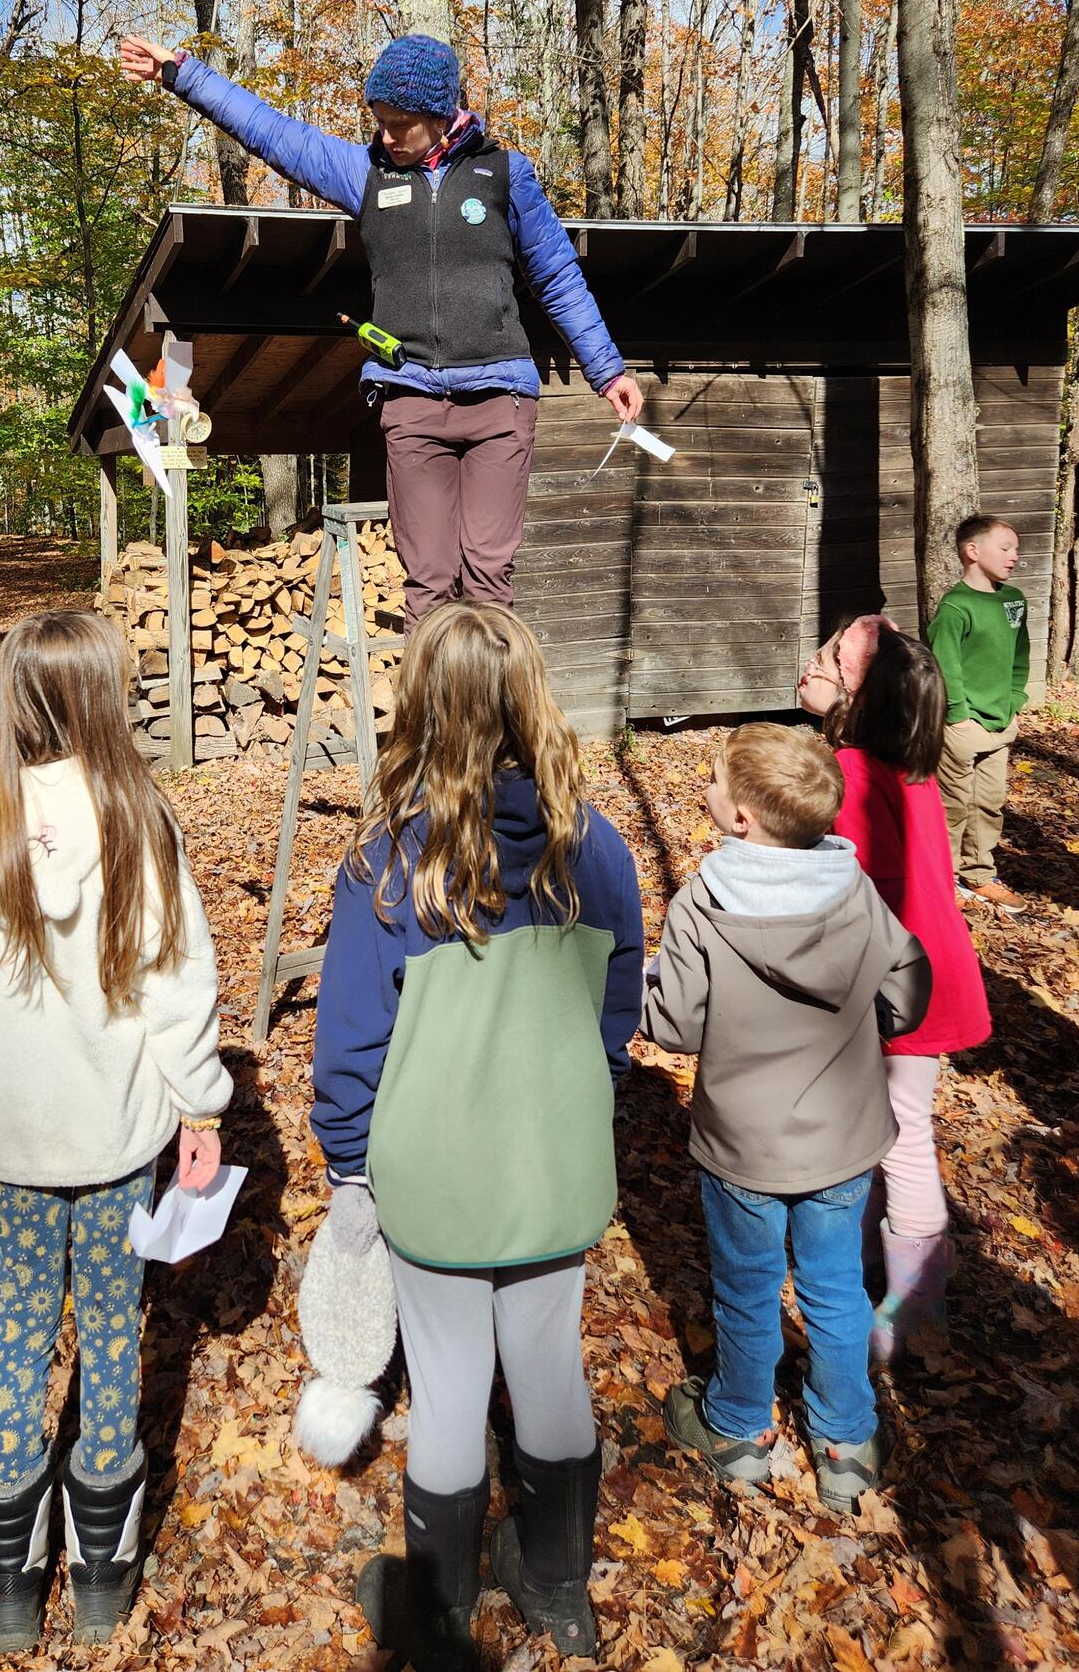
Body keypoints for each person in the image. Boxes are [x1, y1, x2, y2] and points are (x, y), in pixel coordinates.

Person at [311, 602, 644, 1667]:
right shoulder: (594, 849)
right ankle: (555, 1586)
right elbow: (616, 1001)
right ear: (530, 700)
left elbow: (349, 1038)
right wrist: (585, 1085)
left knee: (450, 1377)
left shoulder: (387, 860)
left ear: (420, 705)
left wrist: (346, 1159)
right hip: (551, 1155)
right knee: (547, 1359)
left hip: (433, 1163)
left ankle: (440, 1607)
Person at [0, 610, 232, 1657]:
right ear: (101, 697)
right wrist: (201, 1103)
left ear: (11, 692)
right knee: (109, 1329)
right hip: (108, 1129)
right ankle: (98, 1570)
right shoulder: (133, 806)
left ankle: (11, 1583)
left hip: (11, 1127)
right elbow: (174, 978)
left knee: (17, 1335)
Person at [119, 30, 644, 629]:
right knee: (429, 583)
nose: (386, 136)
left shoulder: (505, 176)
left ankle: (495, 719)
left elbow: (557, 277)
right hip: (413, 401)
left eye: (400, 125)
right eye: (379, 121)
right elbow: (272, 132)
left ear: (443, 116)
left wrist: (607, 370)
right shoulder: (365, 173)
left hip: (500, 401)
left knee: (488, 578)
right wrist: (183, 74)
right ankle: (436, 722)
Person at [642, 724, 930, 1515]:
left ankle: (739, 1428)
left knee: (745, 1285)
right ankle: (845, 1444)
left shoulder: (703, 901)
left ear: (743, 819)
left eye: (714, 780)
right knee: (836, 1287)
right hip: (841, 1139)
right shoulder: (855, 890)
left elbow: (674, 1026)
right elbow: (906, 989)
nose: (705, 788)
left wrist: (649, 983)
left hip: (743, 1146)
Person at [798, 618, 992, 1361]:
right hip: (924, 971)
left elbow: (857, 898)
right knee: (888, 1122)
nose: (816, 659)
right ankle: (885, 1258)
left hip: (900, 983)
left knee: (903, 1133)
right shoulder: (903, 766)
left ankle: (918, 1303)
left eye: (833, 656)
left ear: (862, 691)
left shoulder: (850, 770)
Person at [926, 514, 1030, 908]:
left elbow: (1021, 654)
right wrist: (958, 716)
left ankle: (979, 874)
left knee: (989, 802)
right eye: (1005, 548)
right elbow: (944, 665)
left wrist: (1015, 699)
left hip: (1001, 722)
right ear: (972, 551)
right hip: (962, 725)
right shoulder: (956, 606)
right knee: (952, 804)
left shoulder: (1013, 599)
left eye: (1016, 549)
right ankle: (943, 878)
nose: (1014, 556)